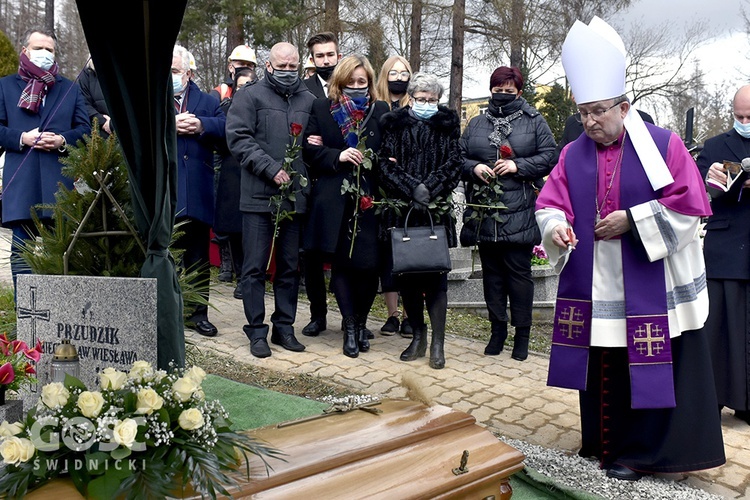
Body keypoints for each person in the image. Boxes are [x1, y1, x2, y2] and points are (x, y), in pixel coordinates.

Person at [535, 17, 724, 481]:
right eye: (583, 112)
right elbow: (549, 202)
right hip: (596, 284)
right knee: (604, 363)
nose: (589, 121)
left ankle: (641, 453)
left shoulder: (664, 145)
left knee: (643, 364)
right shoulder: (572, 153)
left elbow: (690, 206)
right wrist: (557, 227)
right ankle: (600, 443)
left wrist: (635, 221)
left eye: (598, 110)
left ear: (624, 105)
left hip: (650, 286)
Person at [459, 66, 556, 361]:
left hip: (519, 209)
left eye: (508, 91)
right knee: (492, 276)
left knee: (519, 275)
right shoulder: (476, 123)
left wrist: (518, 166)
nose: (502, 96)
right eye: (497, 91)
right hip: (486, 211)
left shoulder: (534, 121)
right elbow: (459, 156)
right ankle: (497, 330)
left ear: (519, 92)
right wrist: (474, 168)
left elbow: (550, 155)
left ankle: (522, 335)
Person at [226, 42, 315, 358]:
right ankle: (256, 331)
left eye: (293, 67)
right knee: (254, 267)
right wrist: (270, 168)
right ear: (268, 65)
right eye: (282, 67)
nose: (288, 72)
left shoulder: (309, 99)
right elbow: (238, 138)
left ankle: (284, 328)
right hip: (258, 196)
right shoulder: (249, 96)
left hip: (294, 198)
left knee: (290, 266)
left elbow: (316, 142)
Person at [302, 55, 389, 358]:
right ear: (339, 81)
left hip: (369, 199)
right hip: (334, 198)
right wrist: (336, 155)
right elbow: (309, 152)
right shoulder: (322, 108)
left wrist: (378, 159)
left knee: (368, 267)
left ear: (369, 83)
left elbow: (389, 152)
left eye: (361, 82)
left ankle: (362, 322)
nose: (355, 86)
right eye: (350, 82)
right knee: (342, 264)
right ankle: (350, 328)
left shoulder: (380, 110)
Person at [378, 73, 462, 369]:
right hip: (403, 211)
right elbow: (383, 164)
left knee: (436, 279)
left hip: (434, 212)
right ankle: (418, 336)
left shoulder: (448, 125)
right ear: (410, 98)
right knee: (407, 277)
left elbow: (455, 162)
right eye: (421, 99)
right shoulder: (393, 123)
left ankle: (438, 343)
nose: (427, 104)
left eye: (432, 100)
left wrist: (430, 187)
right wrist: (412, 187)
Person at [0, 28, 90, 296]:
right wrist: (21, 138)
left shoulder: (70, 88)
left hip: (59, 183)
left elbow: (85, 129)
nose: (44, 54)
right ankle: (26, 314)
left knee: (62, 252)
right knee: (22, 253)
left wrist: (63, 141)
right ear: (25, 51)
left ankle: (59, 313)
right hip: (22, 180)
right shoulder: (5, 86)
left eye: (49, 50)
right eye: (38, 48)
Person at [697, 84, 750, 425]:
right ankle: (712, 398)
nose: (744, 121)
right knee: (717, 328)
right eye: (739, 115)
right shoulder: (715, 146)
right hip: (726, 248)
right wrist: (718, 181)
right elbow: (698, 190)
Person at [171, 45, 226, 337]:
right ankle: (166, 312)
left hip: (198, 191)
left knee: (198, 257)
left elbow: (227, 131)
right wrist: (170, 125)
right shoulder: (152, 99)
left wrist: (202, 125)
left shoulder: (207, 100)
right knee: (166, 258)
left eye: (175, 72)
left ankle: (198, 314)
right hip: (166, 194)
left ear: (189, 74)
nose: (171, 77)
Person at [299, 31, 343, 338]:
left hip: (343, 182)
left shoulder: (353, 85)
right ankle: (318, 315)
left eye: (330, 55)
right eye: (320, 56)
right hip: (312, 181)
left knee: (344, 254)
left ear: (338, 55)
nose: (325, 61)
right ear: (312, 59)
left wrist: (325, 143)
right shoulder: (304, 90)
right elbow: (302, 136)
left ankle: (350, 319)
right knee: (311, 255)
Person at [210, 44, 258, 282]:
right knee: (225, 217)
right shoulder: (220, 93)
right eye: (241, 65)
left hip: (249, 167)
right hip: (225, 162)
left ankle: (244, 272)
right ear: (231, 66)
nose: (244, 69)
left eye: (249, 66)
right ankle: (226, 263)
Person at [374, 55, 414, 338]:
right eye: (394, 72)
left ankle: (412, 315)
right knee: (387, 253)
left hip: (410, 187)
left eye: (404, 73)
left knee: (410, 254)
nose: (398, 77)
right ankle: (392, 314)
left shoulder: (417, 107)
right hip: (381, 189)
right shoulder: (375, 106)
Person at [78, 58, 112, 138]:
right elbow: (83, 102)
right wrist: (102, 122)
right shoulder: (88, 73)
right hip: (99, 135)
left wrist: (113, 124)